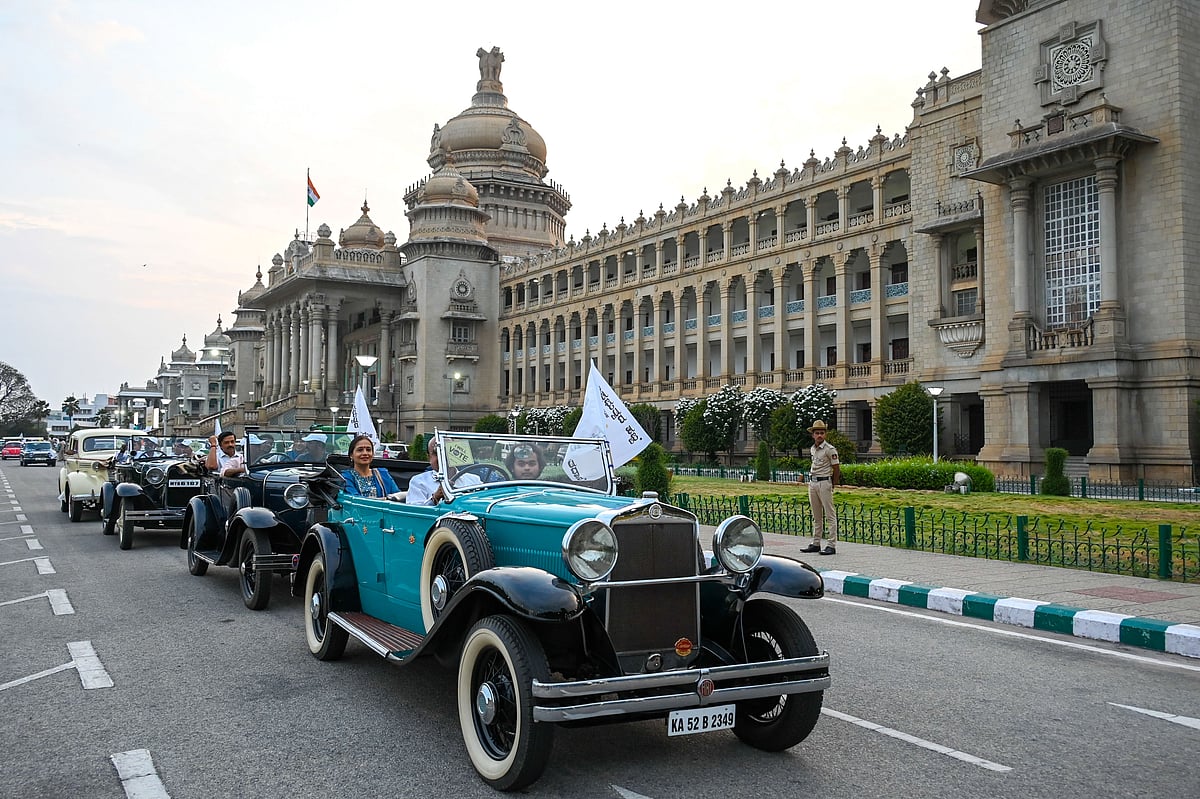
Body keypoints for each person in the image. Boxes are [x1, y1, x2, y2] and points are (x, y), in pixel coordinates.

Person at [800, 420, 841, 556]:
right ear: (813, 435)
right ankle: (816, 543)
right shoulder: (813, 449)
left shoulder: (830, 449)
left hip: (824, 482)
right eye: (817, 433)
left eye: (822, 433)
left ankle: (831, 545)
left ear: (825, 434)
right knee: (816, 515)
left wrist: (833, 484)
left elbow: (836, 468)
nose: (819, 435)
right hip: (813, 482)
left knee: (830, 514)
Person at [406, 445, 482, 505]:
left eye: (448, 451)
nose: (443, 457)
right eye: (437, 453)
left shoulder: (474, 480)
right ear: (429, 457)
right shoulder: (418, 482)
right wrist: (435, 498)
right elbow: (414, 513)